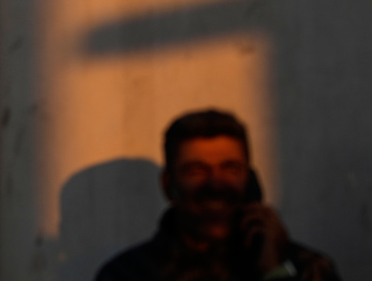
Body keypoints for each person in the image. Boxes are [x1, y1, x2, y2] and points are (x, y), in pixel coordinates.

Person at [95, 110, 340, 281]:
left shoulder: (308, 269)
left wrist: (274, 272)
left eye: (231, 169)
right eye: (196, 171)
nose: (215, 184)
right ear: (168, 185)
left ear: (250, 179)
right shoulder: (127, 274)